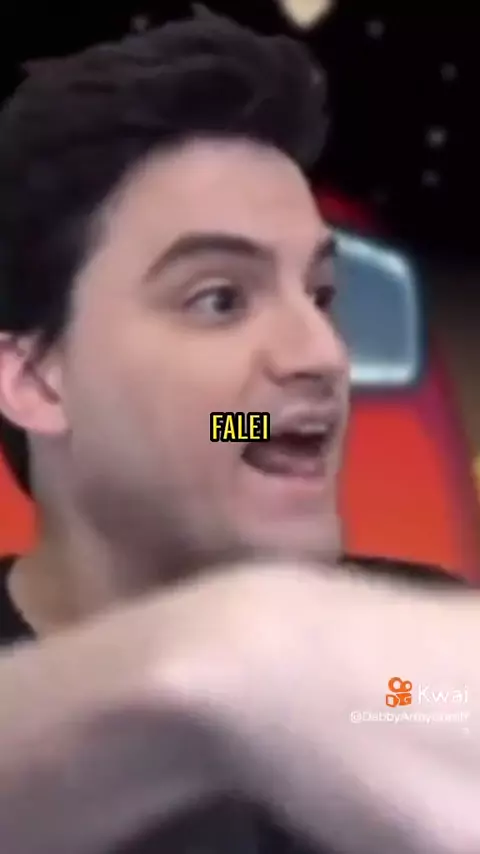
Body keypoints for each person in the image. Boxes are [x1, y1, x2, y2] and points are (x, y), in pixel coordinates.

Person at [0, 9, 477, 854]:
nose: (322, 354)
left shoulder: (401, 662)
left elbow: (429, 702)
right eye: (220, 299)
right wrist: (221, 660)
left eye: (322, 296)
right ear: (36, 378)